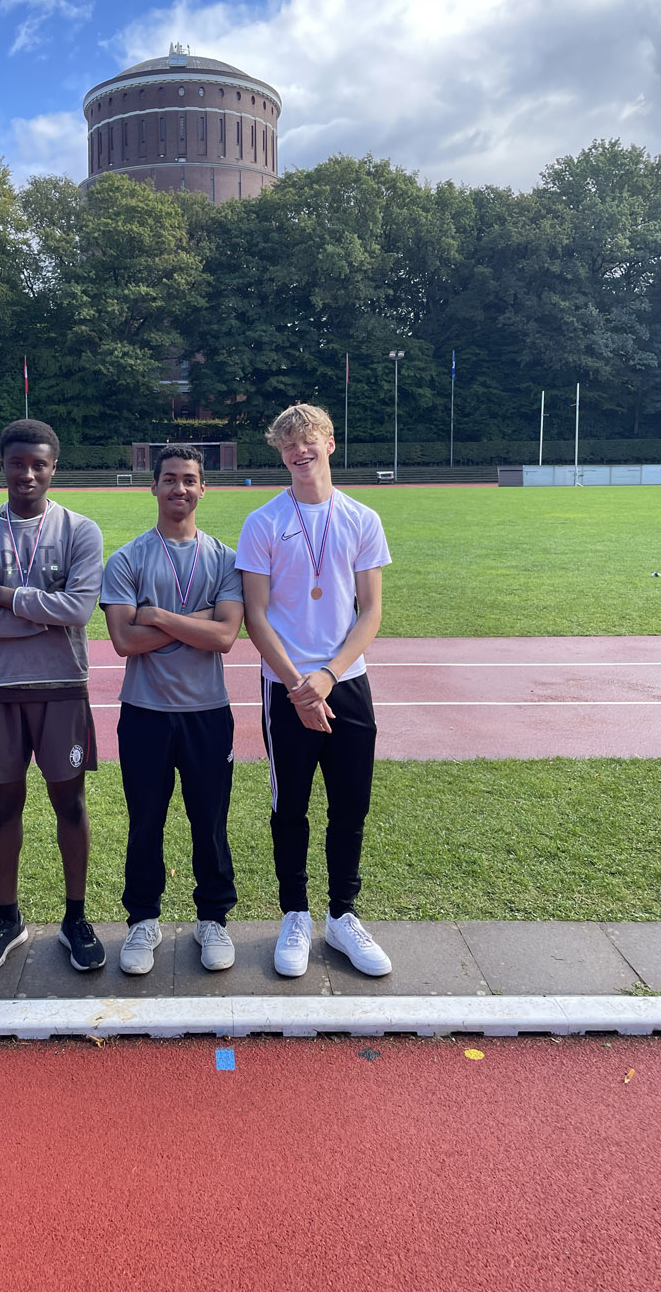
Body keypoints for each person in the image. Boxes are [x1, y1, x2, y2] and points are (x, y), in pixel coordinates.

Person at [235, 403, 393, 979]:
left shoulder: (362, 518)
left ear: (329, 443)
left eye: (308, 440)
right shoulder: (263, 522)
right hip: (284, 687)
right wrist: (298, 684)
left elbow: (370, 611)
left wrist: (326, 676)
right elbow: (255, 615)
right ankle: (295, 914)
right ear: (281, 454)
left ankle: (343, 915)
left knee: (351, 805)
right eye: (288, 445)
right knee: (290, 807)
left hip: (346, 683)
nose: (299, 451)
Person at [0, 418, 106, 975]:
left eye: (39, 464)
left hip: (62, 685)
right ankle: (7, 917)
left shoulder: (80, 530)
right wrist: (43, 613)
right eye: (18, 463)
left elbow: (80, 610)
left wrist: (6, 597)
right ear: (3, 465)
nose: (28, 474)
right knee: (3, 806)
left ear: (53, 467)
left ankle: (76, 918)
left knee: (71, 804)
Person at [101, 444, 243, 975]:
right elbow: (123, 641)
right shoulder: (127, 559)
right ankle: (143, 920)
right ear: (154, 486)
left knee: (210, 821)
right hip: (145, 712)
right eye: (169, 479)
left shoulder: (226, 559)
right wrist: (199, 621)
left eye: (188, 479)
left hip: (208, 712)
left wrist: (157, 616)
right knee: (146, 822)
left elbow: (226, 637)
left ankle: (213, 919)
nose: (179, 488)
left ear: (203, 487)